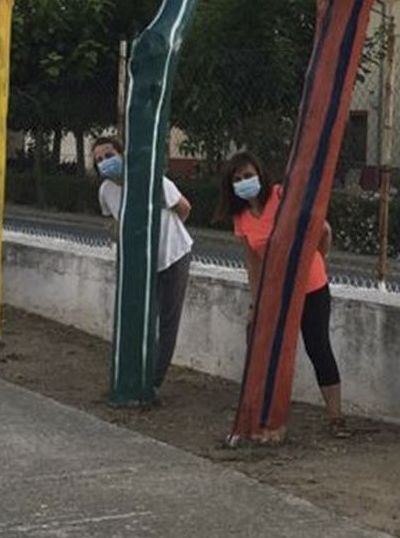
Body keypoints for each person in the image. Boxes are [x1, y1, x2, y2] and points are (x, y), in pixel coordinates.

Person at [215, 151, 348, 439]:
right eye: (237, 179)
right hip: (276, 292)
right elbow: (253, 264)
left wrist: (315, 261)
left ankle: (336, 417)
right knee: (268, 350)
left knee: (318, 347)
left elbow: (322, 229)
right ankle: (268, 415)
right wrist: (256, 301)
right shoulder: (241, 218)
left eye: (248, 176)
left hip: (311, 286)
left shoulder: (281, 196)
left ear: (260, 175)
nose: (244, 182)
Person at [91, 135, 194, 391]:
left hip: (174, 255)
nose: (106, 162)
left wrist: (166, 234)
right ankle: (133, 373)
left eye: (110, 155)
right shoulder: (106, 190)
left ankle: (153, 383)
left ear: (123, 154)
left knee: (167, 322)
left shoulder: (151, 180)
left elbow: (184, 208)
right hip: (141, 262)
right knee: (142, 316)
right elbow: (113, 220)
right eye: (100, 160)